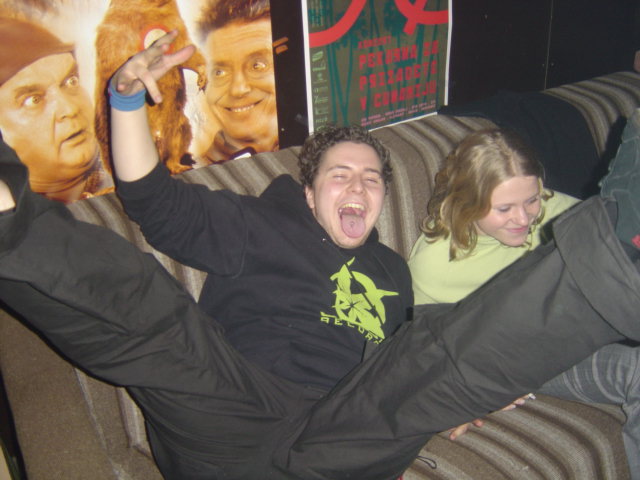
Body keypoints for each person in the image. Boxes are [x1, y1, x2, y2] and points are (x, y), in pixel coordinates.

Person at [1, 32, 640, 480]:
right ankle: (8, 221)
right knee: (153, 310)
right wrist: (124, 97)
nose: (358, 186)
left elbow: (410, 374)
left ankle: (618, 242)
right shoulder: (261, 223)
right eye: (340, 175)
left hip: (337, 436)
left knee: (432, 348)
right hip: (232, 408)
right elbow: (151, 201)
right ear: (309, 194)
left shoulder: (392, 273)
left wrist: (453, 400)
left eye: (371, 179)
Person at [408, 128, 640, 477]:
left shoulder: (550, 209)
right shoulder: (434, 265)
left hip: (574, 333)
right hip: (515, 363)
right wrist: (463, 400)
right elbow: (421, 352)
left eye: (531, 200)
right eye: (504, 208)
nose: (524, 218)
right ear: (468, 201)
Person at [0, 17, 112, 203]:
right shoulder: (15, 217)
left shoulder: (134, 178)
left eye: (71, 82)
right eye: (34, 100)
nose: (70, 109)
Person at [196, 0, 279, 163]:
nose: (238, 89)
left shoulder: (322, 149)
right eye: (219, 72)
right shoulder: (195, 172)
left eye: (257, 66)